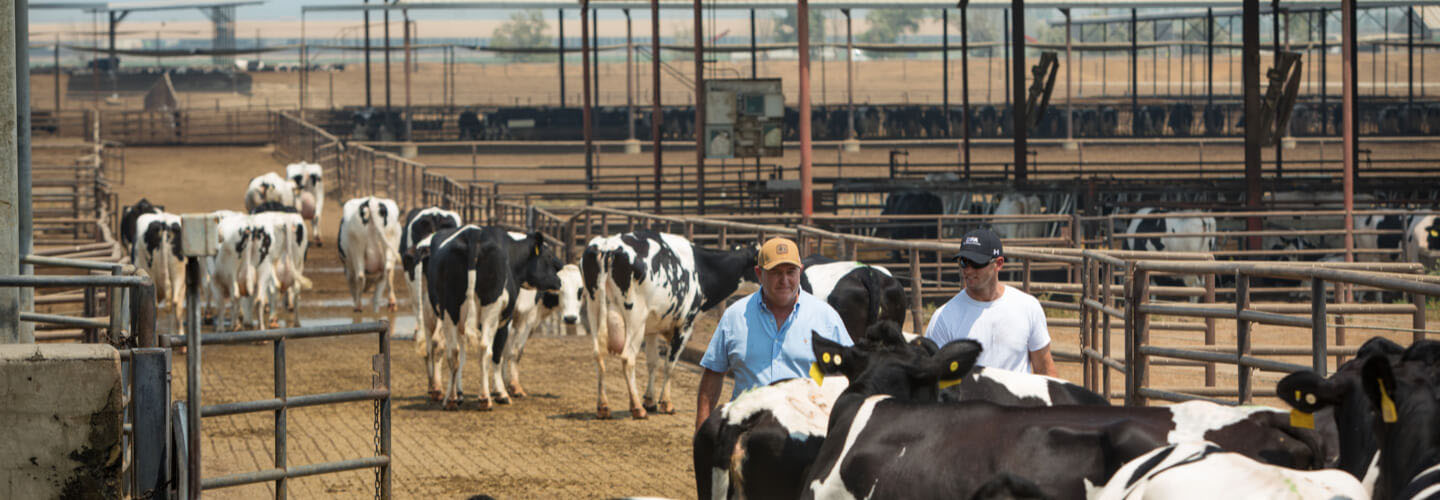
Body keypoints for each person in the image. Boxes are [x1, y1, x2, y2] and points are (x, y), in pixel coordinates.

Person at [695, 237, 852, 430]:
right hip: (745, 435)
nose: (784, 280)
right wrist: (701, 435)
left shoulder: (826, 318)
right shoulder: (735, 317)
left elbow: (849, 376)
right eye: (776, 272)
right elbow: (713, 374)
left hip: (806, 433)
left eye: (790, 272)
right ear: (759, 274)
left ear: (800, 271)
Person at [925, 228, 1057, 377]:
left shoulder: (1028, 307)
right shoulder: (943, 318)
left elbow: (1045, 370)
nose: (967, 270)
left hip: (1016, 400)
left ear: (999, 264)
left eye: (976, 263)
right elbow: (932, 378)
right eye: (963, 262)